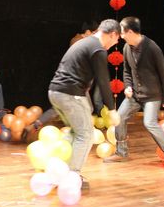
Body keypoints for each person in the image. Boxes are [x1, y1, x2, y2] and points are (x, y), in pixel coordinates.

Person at [48, 19, 121, 190]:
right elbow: (103, 81)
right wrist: (112, 110)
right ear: (112, 34)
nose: (115, 44)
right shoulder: (97, 49)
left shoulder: (85, 43)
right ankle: (72, 176)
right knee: (86, 134)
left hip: (55, 92)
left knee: (76, 132)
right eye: (117, 40)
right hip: (70, 94)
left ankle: (56, 169)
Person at [103, 17, 164, 171]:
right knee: (119, 118)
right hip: (135, 95)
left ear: (130, 32)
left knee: (149, 123)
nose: (121, 36)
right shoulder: (127, 48)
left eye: (122, 33)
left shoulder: (152, 48)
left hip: (152, 95)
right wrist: (128, 86)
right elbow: (126, 71)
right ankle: (121, 152)